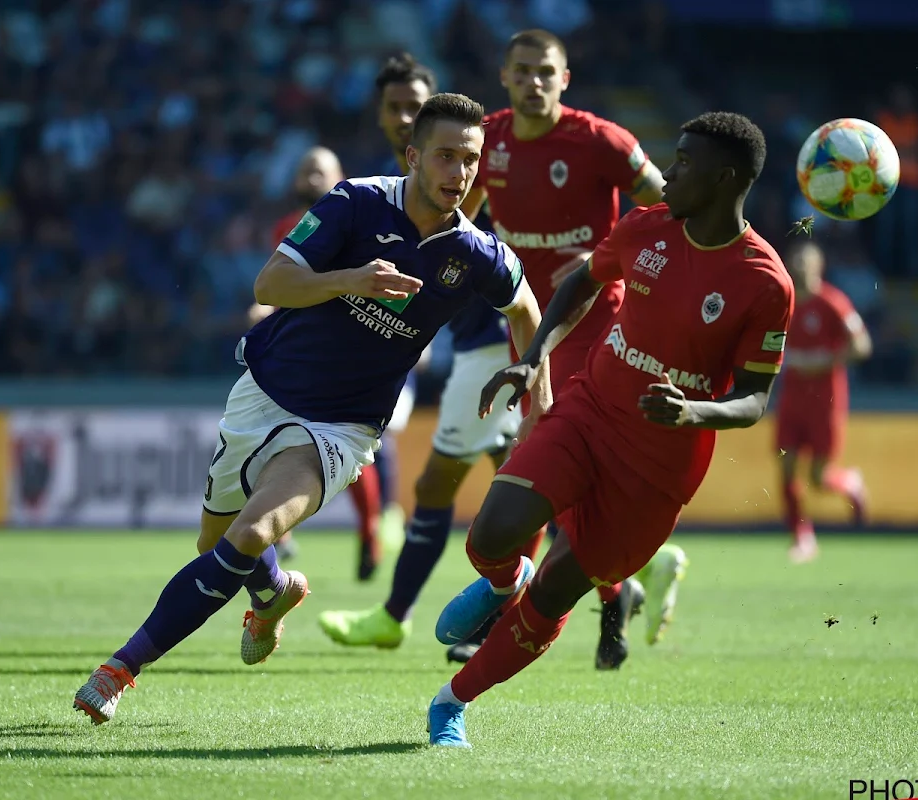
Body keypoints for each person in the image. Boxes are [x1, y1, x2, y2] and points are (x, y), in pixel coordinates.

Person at [72, 93, 551, 725]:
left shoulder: (475, 253)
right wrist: (348, 280)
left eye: (469, 159)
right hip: (266, 391)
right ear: (412, 156)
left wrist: (532, 375)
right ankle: (270, 595)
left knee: (250, 533)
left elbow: (525, 309)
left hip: (343, 428)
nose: (457, 172)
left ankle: (119, 668)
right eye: (444, 156)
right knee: (214, 543)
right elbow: (269, 285)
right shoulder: (356, 202)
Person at [425, 111, 794, 747]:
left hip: (658, 465)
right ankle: (501, 579)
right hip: (589, 409)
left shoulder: (765, 283)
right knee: (491, 534)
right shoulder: (646, 227)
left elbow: (756, 399)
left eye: (684, 161)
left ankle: (450, 703)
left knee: (556, 591)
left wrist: (695, 411)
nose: (668, 171)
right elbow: (582, 285)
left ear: (725, 178)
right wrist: (535, 354)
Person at [461, 28, 686, 668]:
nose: (534, 81)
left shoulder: (600, 142)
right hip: (528, 326)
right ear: (504, 76)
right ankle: (613, 590)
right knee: (534, 463)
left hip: (599, 328)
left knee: (546, 463)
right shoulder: (491, 140)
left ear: (566, 79)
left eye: (546, 71)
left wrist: (609, 255)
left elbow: (671, 209)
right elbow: (465, 214)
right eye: (522, 70)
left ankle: (517, 608)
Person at [318, 56, 525, 663]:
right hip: (466, 347)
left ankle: (403, 614)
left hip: (487, 347)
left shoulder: (455, 176)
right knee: (521, 477)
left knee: (446, 483)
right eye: (394, 108)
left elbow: (487, 260)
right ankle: (616, 574)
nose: (404, 117)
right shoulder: (388, 189)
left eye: (416, 105)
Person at [252, 146, 385, 572]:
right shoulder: (284, 228)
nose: (311, 180)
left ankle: (369, 531)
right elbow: (283, 283)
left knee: (344, 448)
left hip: (348, 353)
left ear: (340, 176)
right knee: (274, 437)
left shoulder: (362, 222)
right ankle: (281, 531)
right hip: (298, 350)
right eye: (305, 172)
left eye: (319, 172)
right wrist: (266, 310)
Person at [776, 241, 872, 563]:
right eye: (796, 262)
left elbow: (862, 346)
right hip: (792, 398)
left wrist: (825, 359)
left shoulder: (833, 302)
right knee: (786, 467)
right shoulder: (784, 303)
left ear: (819, 266)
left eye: (807, 262)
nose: (801, 267)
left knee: (818, 478)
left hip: (825, 401)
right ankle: (802, 538)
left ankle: (851, 483)